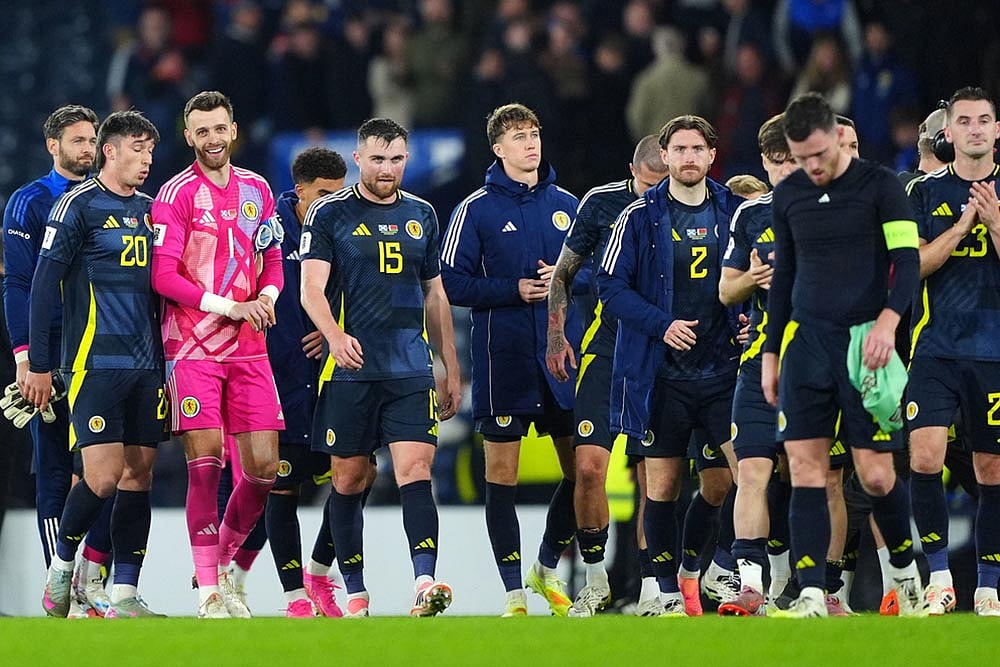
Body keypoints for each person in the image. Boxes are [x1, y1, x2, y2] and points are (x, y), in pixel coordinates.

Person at [761, 92, 922, 617]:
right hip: (805, 346)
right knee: (806, 470)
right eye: (801, 159)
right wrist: (771, 353)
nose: (812, 167)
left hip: (865, 346)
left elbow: (907, 262)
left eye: (819, 156)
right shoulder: (789, 197)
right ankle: (812, 592)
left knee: (875, 474)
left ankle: (902, 565)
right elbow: (784, 276)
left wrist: (889, 322)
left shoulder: (881, 187)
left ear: (835, 136)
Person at [301, 117, 462, 618]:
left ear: (407, 160)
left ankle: (424, 583)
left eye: (395, 159)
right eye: (377, 159)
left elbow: (434, 293)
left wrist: (449, 365)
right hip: (351, 370)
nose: (386, 168)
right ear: (358, 159)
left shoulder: (423, 214)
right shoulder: (329, 214)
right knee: (349, 480)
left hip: (410, 368)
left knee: (417, 470)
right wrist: (334, 336)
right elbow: (310, 289)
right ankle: (354, 591)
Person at [597, 115, 744, 616]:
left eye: (696, 149)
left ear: (710, 156)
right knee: (660, 486)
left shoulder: (735, 211)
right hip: (662, 375)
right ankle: (663, 591)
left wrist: (748, 320)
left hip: (725, 371)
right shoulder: (636, 217)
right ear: (664, 156)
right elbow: (610, 288)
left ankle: (713, 569)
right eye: (678, 149)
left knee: (737, 478)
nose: (687, 158)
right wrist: (661, 325)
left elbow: (762, 274)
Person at [441, 103, 580, 617]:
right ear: (498, 148)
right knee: (501, 476)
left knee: (583, 470)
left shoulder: (567, 204)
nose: (531, 143)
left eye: (535, 134)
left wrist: (562, 280)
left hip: (560, 359)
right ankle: (512, 593)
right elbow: (450, 280)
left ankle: (543, 567)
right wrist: (511, 289)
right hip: (505, 358)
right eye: (519, 136)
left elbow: (598, 274)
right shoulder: (475, 208)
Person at [25, 110, 166, 618]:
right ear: (110, 151)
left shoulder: (154, 210)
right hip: (93, 362)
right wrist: (39, 364)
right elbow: (42, 287)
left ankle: (126, 593)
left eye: (151, 150)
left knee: (140, 476)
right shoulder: (76, 207)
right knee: (101, 477)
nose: (146, 160)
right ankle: (63, 568)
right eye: (137, 149)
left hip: (149, 364)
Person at [151, 90, 285, 619]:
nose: (212, 139)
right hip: (192, 347)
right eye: (201, 131)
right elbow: (163, 276)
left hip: (250, 349)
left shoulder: (258, 189)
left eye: (219, 128)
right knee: (206, 467)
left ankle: (221, 562)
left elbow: (272, 258)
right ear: (189, 137)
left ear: (234, 130)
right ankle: (209, 592)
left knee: (264, 471)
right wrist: (230, 305)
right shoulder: (175, 194)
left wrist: (266, 300)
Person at [1, 104, 117, 616]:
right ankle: (62, 588)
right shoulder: (30, 202)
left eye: (92, 140)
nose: (87, 149)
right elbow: (19, 283)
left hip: (104, 351)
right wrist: (27, 358)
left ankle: (95, 584)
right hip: (52, 354)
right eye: (77, 140)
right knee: (54, 468)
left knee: (109, 469)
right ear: (53, 145)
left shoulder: (111, 201)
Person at [546, 135, 668, 617]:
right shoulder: (602, 203)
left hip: (660, 352)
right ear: (632, 171)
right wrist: (556, 336)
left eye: (661, 186)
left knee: (652, 477)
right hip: (606, 348)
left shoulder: (690, 204)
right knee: (590, 467)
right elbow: (563, 273)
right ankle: (595, 580)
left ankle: (654, 589)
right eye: (647, 184)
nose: (652, 194)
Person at [904, 86, 1000, 617]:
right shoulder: (922, 193)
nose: (976, 129)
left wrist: (993, 221)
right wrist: (962, 224)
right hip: (935, 347)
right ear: (950, 133)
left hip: (994, 350)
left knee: (991, 470)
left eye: (985, 120)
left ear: (997, 129)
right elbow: (912, 265)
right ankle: (938, 577)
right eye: (965, 121)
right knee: (924, 456)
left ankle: (988, 585)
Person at [717, 113, 800, 616]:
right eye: (781, 160)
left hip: (817, 362)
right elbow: (726, 289)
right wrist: (755, 278)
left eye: (797, 157)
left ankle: (822, 587)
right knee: (751, 472)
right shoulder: (750, 216)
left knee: (821, 478)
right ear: (768, 162)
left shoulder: (833, 206)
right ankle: (751, 586)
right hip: (758, 364)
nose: (790, 168)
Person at [266, 146, 350, 618]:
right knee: (284, 485)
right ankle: (294, 596)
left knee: (356, 475)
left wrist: (332, 322)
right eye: (320, 195)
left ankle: (319, 572)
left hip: (333, 371)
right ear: (299, 191)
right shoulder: (270, 231)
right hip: (281, 372)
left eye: (336, 194)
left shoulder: (345, 224)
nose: (328, 203)